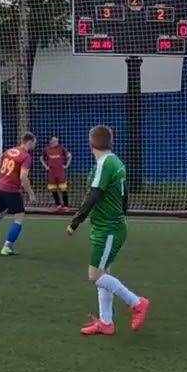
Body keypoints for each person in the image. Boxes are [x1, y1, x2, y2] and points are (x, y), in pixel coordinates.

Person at [67, 125, 150, 336]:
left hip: (108, 229)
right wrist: (122, 215)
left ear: (90, 143)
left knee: (95, 275)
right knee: (104, 273)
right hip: (108, 226)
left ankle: (137, 303)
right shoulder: (115, 162)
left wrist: (74, 222)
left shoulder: (105, 163)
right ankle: (106, 323)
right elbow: (124, 195)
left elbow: (93, 195)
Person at [0, 133, 36, 256]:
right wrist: (31, 193)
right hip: (11, 190)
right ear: (29, 142)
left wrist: (3, 179)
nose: (35, 146)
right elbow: (23, 177)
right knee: (19, 217)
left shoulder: (8, 151)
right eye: (34, 143)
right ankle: (7, 247)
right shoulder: (26, 156)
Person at [41, 136, 72, 211]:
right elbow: (41, 158)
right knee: (53, 188)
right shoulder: (46, 149)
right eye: (55, 141)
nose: (57, 142)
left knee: (63, 188)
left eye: (57, 141)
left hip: (60, 172)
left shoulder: (61, 148)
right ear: (50, 142)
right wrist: (46, 166)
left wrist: (67, 165)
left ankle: (66, 205)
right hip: (51, 172)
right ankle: (58, 204)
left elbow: (70, 156)